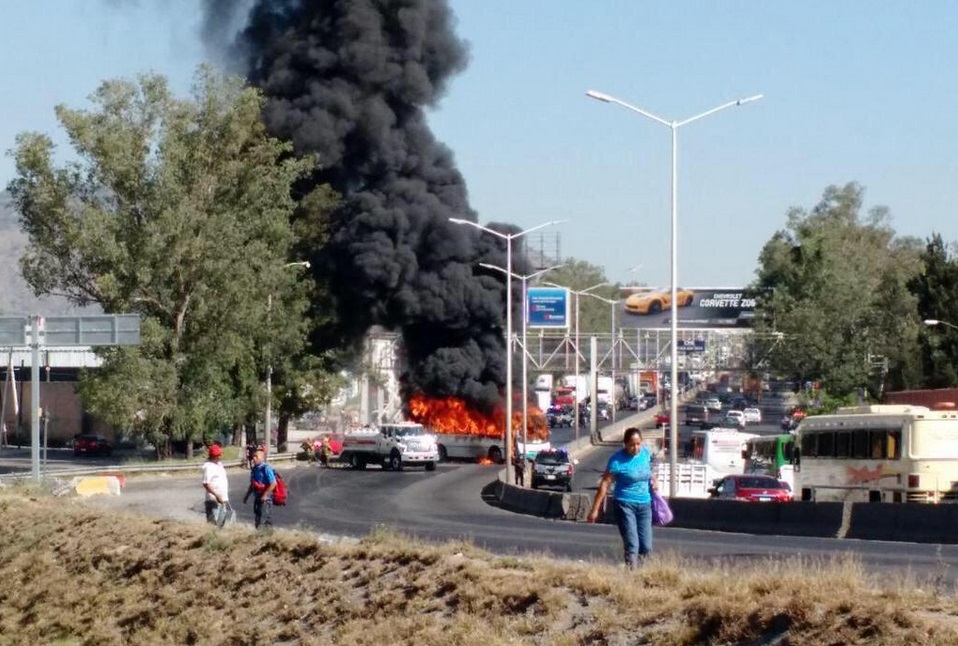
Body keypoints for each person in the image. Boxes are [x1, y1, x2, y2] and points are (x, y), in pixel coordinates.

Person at [587, 427, 655, 568]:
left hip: (645, 504)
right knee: (632, 544)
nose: (635, 448)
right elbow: (604, 484)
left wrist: (655, 481)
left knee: (646, 546)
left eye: (638, 444)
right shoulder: (617, 460)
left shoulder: (646, 454)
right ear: (625, 444)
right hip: (625, 504)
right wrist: (595, 509)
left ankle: (643, 574)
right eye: (631, 445)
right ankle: (631, 574)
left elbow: (649, 472)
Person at [243, 447, 277, 529]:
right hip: (257, 497)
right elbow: (253, 484)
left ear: (262, 458)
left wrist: (265, 495)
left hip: (266, 498)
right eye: (253, 456)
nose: (254, 458)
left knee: (264, 518)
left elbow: (273, 483)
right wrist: (247, 496)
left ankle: (266, 535)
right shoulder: (255, 469)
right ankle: (260, 534)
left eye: (256, 456)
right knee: (258, 518)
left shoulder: (266, 468)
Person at [201, 444, 229, 525]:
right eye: (218, 455)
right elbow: (206, 483)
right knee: (214, 523)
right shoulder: (209, 467)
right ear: (214, 456)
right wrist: (217, 495)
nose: (220, 456)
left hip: (222, 499)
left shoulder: (219, 464)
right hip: (213, 500)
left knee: (221, 522)